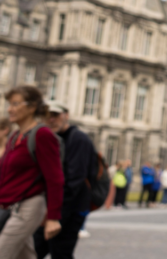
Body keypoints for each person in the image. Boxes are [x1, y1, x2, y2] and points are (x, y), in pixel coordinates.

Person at [0, 86, 64, 258]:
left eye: (15, 104)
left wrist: (53, 217)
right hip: (10, 206)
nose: (9, 109)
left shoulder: (42, 135)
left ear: (32, 107)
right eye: (9, 104)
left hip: (28, 206)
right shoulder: (14, 137)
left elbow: (55, 178)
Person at [33, 100, 98, 259]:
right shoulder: (49, 137)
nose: (51, 119)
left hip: (69, 208)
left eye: (55, 115)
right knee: (35, 251)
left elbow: (74, 180)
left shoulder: (78, 139)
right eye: (47, 116)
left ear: (66, 115)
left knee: (60, 252)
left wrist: (55, 214)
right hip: (53, 207)